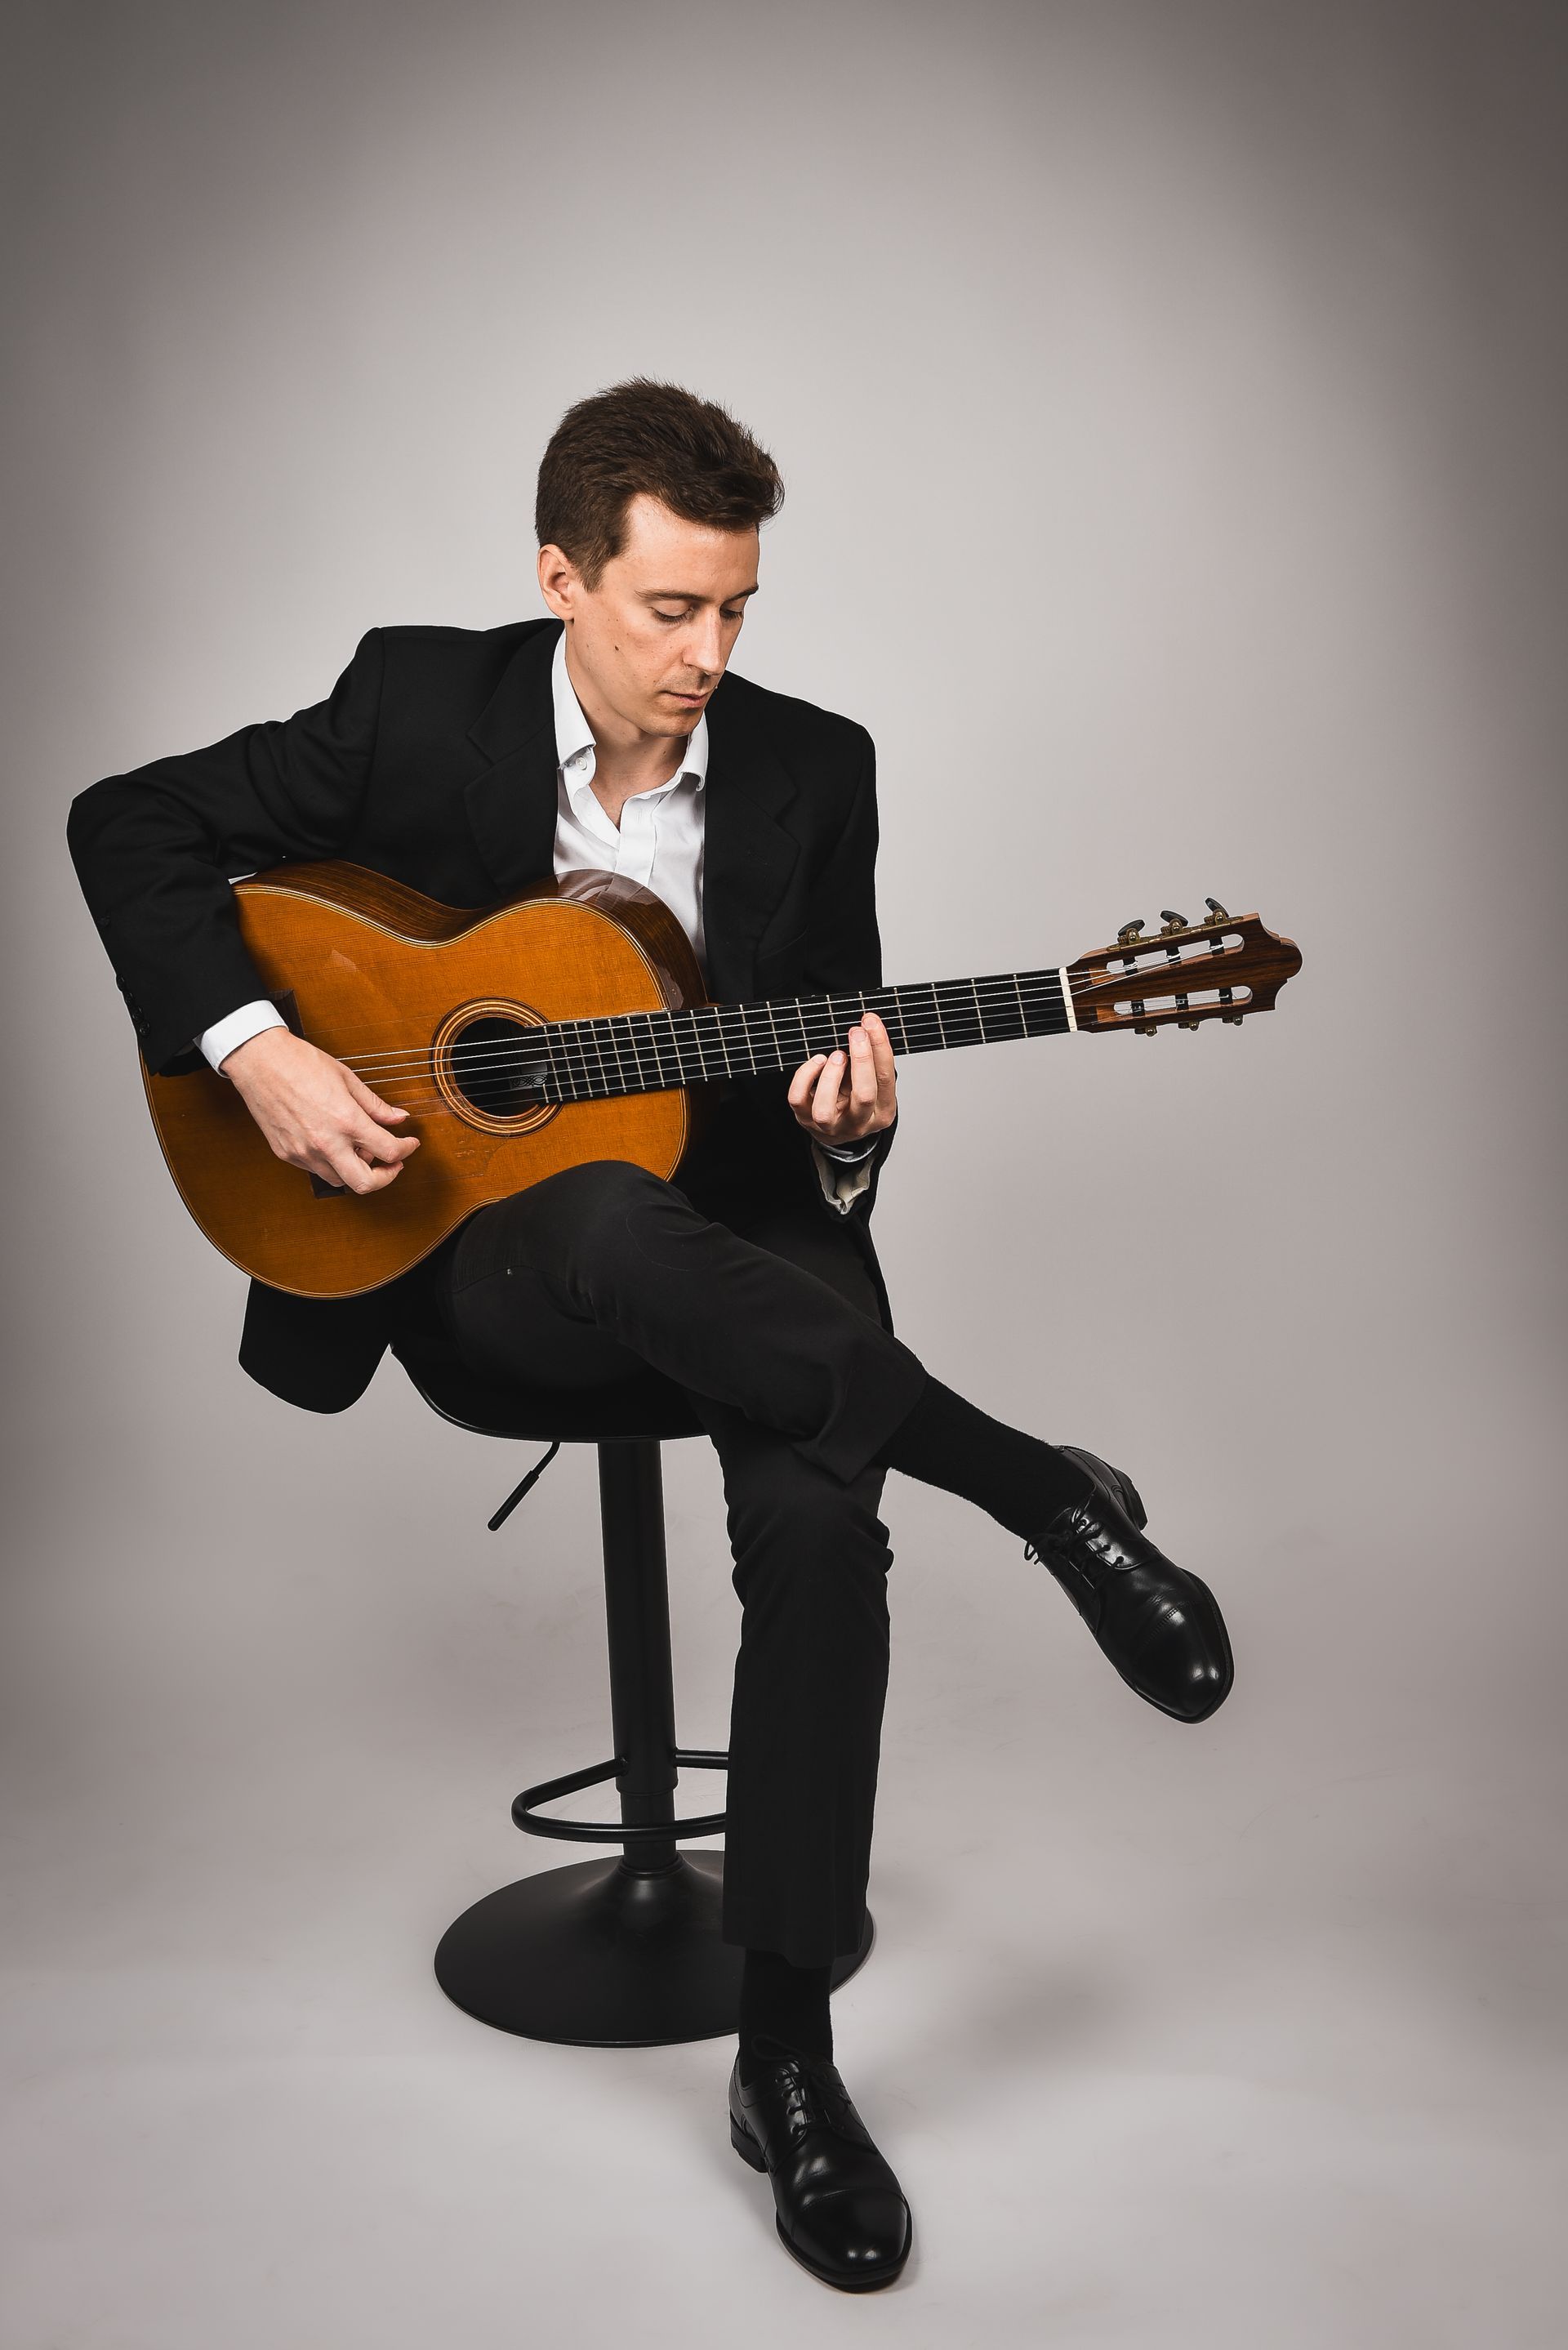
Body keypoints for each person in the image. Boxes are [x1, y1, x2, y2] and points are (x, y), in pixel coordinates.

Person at [69, 378, 1232, 2293]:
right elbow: (127, 824)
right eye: (671, 608)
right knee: (598, 1209)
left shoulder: (815, 767)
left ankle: (788, 2059)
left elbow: (833, 1048)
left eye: (739, 609)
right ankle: (1045, 1490)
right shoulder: (415, 701)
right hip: (483, 1269)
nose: (710, 654)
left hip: (753, 1242)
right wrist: (256, 1046)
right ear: (563, 577)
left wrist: (852, 1127)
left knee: (820, 1522)